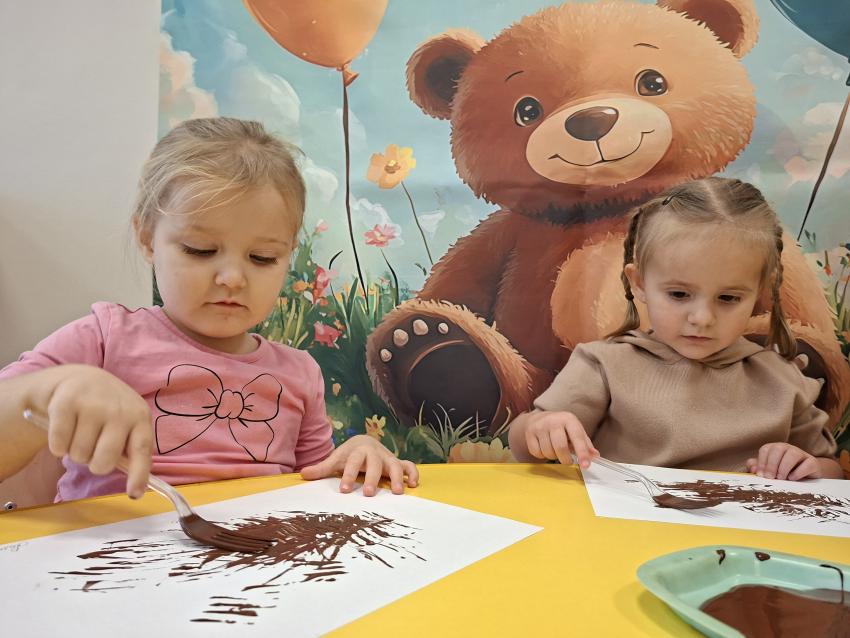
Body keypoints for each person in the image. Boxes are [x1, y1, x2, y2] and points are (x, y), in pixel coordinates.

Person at [0, 117, 418, 501]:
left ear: (289, 254)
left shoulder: (299, 372)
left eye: (262, 258)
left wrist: (356, 454)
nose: (232, 278)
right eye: (200, 250)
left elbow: (315, 485)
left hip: (250, 552)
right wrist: (52, 388)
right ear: (147, 238)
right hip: (111, 550)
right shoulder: (105, 339)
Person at [508, 177, 841, 481]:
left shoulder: (782, 379)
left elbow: (831, 471)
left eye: (728, 298)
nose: (702, 318)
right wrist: (540, 428)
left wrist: (807, 466)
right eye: (679, 294)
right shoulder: (604, 365)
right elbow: (524, 444)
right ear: (639, 284)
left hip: (748, 527)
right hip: (626, 522)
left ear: (758, 293)